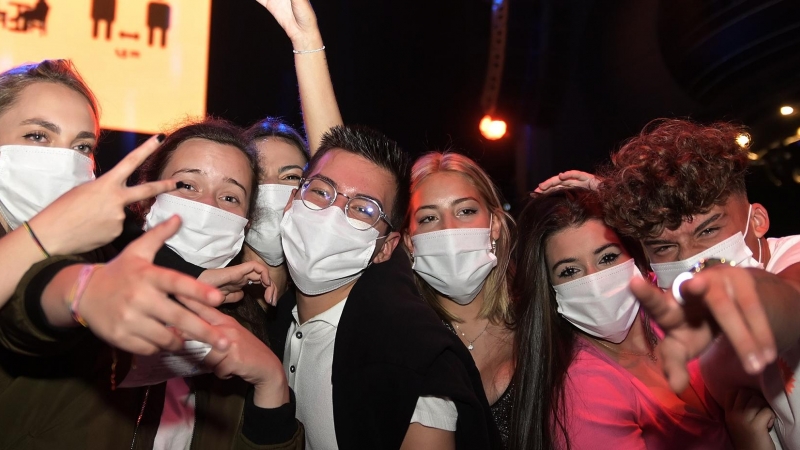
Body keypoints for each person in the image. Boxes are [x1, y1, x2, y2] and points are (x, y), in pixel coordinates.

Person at [0, 119, 303, 449]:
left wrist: (272, 381)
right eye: (187, 185)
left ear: (246, 223)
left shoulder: (243, 327)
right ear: (146, 199)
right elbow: (32, 309)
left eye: (230, 197)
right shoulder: (91, 265)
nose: (207, 206)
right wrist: (81, 292)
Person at [267, 124, 500, 449]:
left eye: (363, 209)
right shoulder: (269, 326)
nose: (333, 216)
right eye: (321, 191)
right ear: (292, 200)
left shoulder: (409, 366)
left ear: (387, 247)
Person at [597, 118, 800, 449]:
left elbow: (791, 299)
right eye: (665, 247)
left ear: (758, 220)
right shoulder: (697, 340)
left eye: (708, 231)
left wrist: (745, 294)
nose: (691, 259)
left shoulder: (793, 258)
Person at [0, 59, 226, 351]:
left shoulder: (97, 248)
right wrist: (82, 291)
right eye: (38, 136)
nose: (65, 161)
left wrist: (198, 276)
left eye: (82, 147)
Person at [509, 187, 735, 450]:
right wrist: (749, 437)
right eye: (570, 271)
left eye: (608, 257)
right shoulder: (586, 391)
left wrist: (618, 197)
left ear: (634, 258)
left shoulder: (667, 308)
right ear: (548, 288)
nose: (595, 280)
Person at [403, 151, 515, 446]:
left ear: (495, 225)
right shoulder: (402, 339)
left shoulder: (539, 322)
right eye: (428, 218)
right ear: (408, 242)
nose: (449, 229)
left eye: (465, 211)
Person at [241, 117, 309, 303]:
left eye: (290, 177)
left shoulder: (312, 301)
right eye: (257, 176)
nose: (271, 186)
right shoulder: (209, 287)